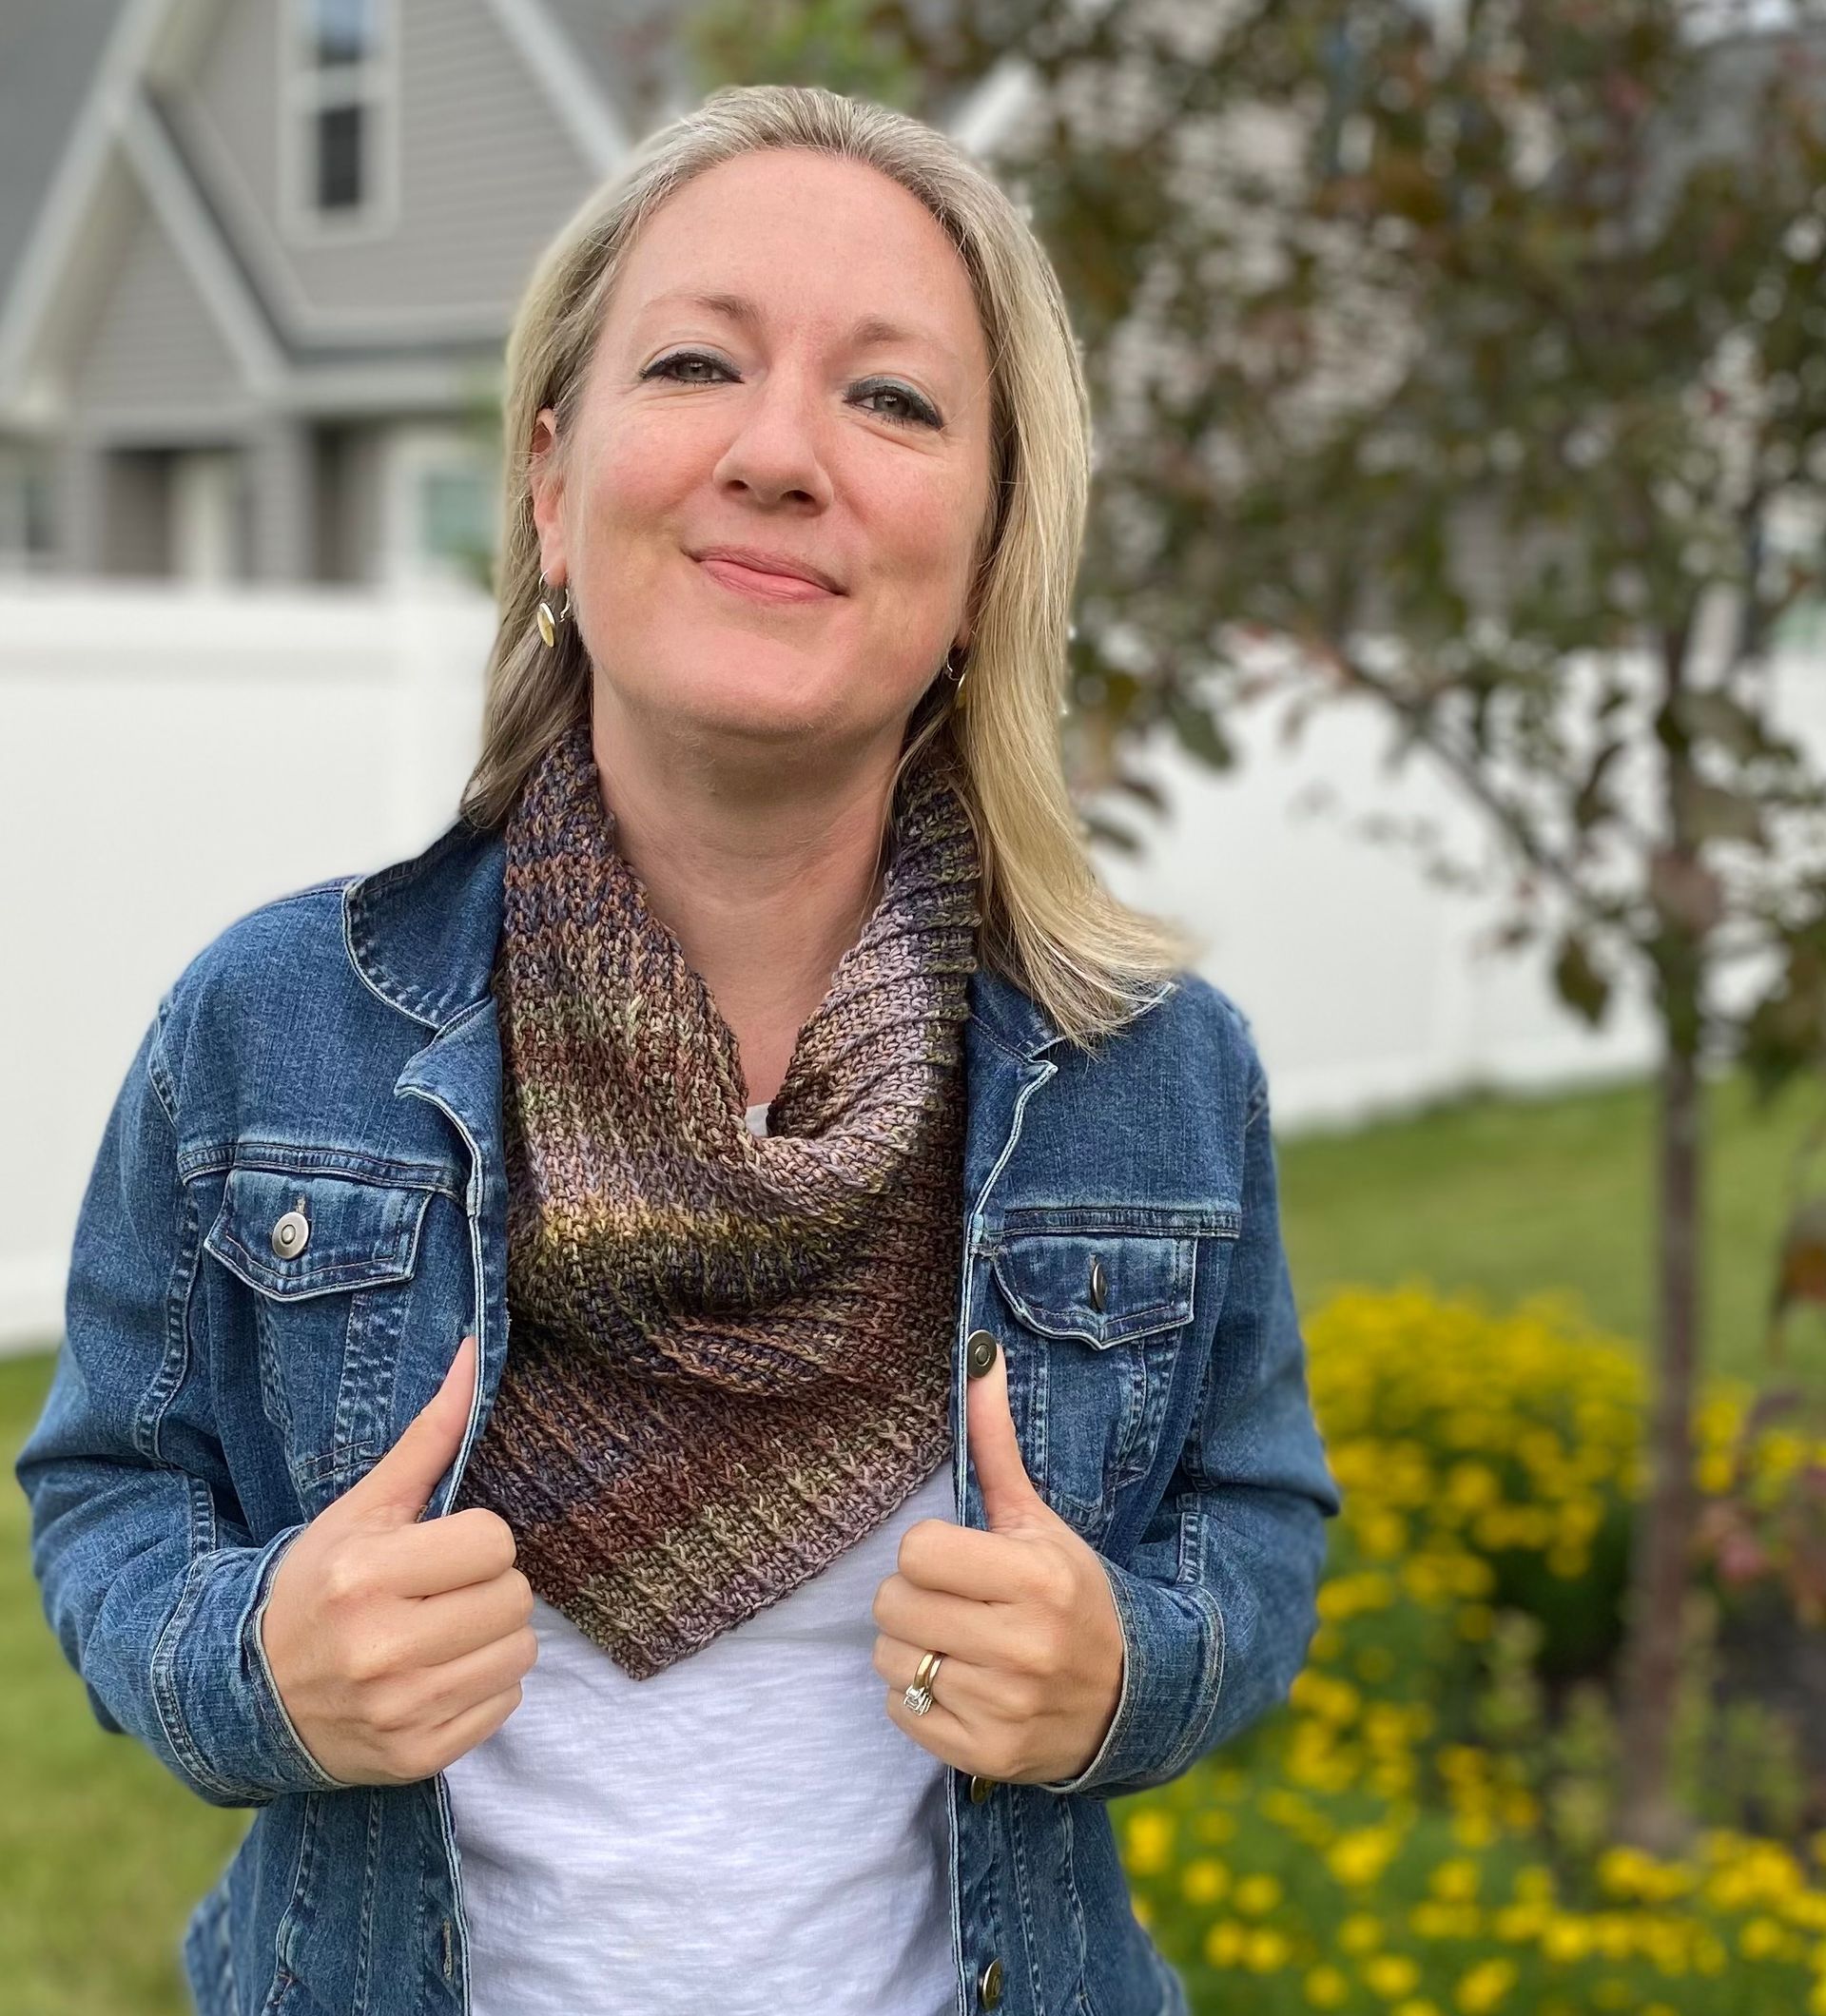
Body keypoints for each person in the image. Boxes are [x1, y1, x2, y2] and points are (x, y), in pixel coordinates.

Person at [15, 82, 1342, 2016]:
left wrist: (1127, 1667)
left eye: (893, 399)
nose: (783, 452)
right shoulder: (269, 1025)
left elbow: (1260, 1522)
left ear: (984, 555)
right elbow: (110, 1493)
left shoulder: (1147, 1071)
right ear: (552, 482)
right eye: (701, 359)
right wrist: (254, 1667)